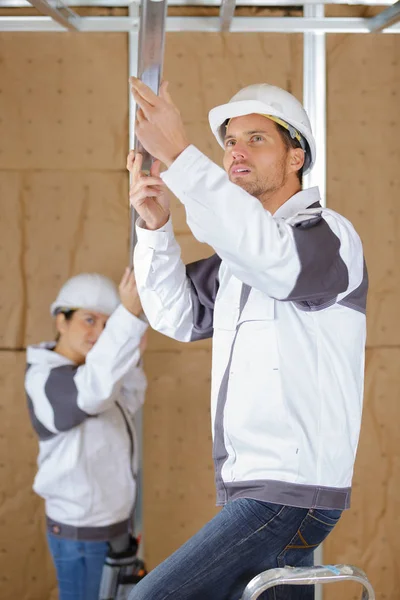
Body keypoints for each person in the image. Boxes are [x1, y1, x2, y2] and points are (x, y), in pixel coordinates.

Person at [127, 79, 368, 600]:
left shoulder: (328, 236)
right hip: (261, 487)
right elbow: (177, 314)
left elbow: (274, 260)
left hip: (288, 492)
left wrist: (181, 156)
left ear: (295, 156)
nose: (235, 152)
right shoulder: (245, 261)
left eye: (255, 140)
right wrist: (155, 229)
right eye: (229, 142)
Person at [25, 269, 148, 600]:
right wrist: (126, 323)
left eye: (107, 325)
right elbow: (93, 394)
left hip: (114, 528)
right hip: (81, 536)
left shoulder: (92, 373)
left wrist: (130, 354)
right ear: (61, 321)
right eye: (89, 320)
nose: (99, 332)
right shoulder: (46, 379)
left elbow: (129, 400)